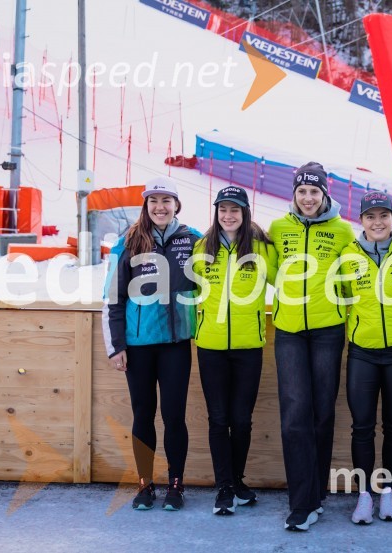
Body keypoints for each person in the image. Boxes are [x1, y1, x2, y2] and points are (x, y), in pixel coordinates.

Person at [102, 175, 201, 511]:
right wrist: (116, 346)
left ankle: (176, 484)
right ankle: (145, 484)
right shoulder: (128, 242)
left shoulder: (193, 240)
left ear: (176, 205)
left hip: (176, 343)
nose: (160, 207)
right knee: (143, 413)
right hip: (139, 344)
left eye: (166, 200)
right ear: (146, 206)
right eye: (153, 200)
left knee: (175, 416)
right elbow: (112, 298)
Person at [268, 161, 355, 531]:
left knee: (322, 413)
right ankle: (301, 502)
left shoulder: (342, 230)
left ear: (324, 194)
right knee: (294, 414)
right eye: (301, 192)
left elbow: (353, 276)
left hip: (328, 330)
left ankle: (316, 492)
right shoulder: (279, 227)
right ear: (294, 193)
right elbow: (270, 270)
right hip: (288, 329)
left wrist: (336, 299)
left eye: (314, 192)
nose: (307, 198)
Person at [191, 186, 277, 516]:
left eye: (235, 210)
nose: (228, 215)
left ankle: (238, 481)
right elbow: (187, 288)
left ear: (245, 213)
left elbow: (285, 282)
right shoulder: (202, 248)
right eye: (223, 209)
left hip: (248, 346)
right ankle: (224, 487)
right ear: (216, 212)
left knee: (241, 420)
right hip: (211, 346)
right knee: (218, 418)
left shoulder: (260, 249)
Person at [338, 191, 392, 524]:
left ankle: (388, 493)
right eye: (370, 216)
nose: (377, 222)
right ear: (361, 221)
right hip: (363, 352)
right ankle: (364, 496)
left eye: (383, 215)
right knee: (362, 427)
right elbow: (342, 296)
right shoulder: (348, 255)